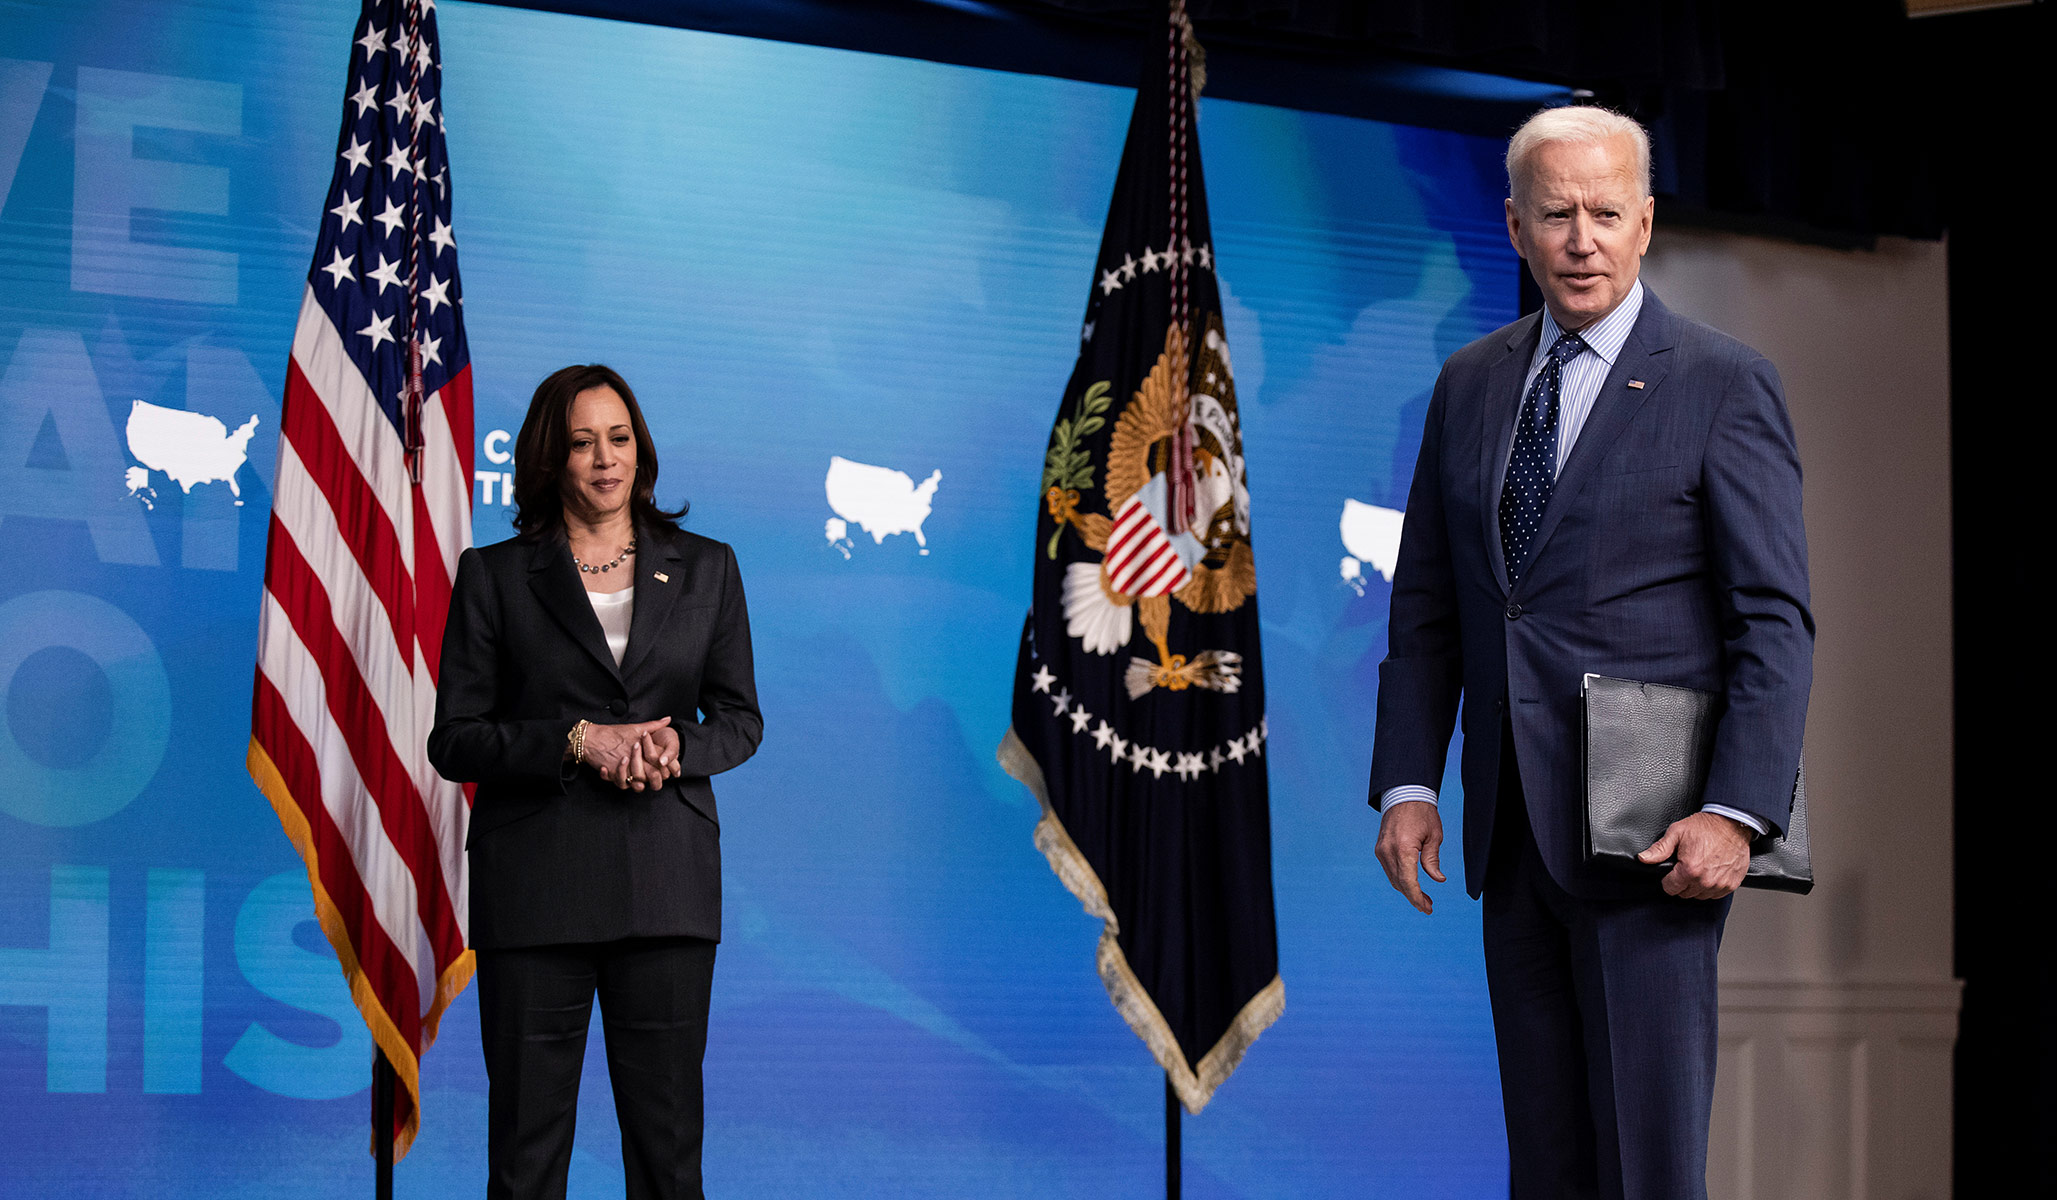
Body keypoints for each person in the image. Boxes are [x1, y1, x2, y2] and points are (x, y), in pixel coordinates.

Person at [1366, 106, 1811, 1200]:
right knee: (1546, 1166)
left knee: (1645, 1170)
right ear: (1512, 226)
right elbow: (1428, 604)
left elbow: (1772, 621)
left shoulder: (1721, 381)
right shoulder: (1467, 381)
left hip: (1652, 838)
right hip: (1511, 833)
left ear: (1644, 223)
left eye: (1605, 214)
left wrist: (1736, 813)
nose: (1581, 240)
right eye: (1556, 214)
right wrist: (1409, 781)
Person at [429, 364, 761, 1200]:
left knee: (668, 1158)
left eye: (619, 438)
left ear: (640, 449)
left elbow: (738, 719)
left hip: (667, 888)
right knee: (527, 1160)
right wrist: (578, 742)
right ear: (550, 458)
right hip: (535, 893)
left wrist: (673, 746)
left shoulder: (708, 567)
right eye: (582, 443)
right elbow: (455, 739)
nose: (605, 459)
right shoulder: (493, 575)